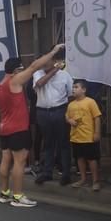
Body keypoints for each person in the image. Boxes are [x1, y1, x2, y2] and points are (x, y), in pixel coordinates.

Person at [0, 45, 65, 208]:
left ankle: (5, 193)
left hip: (4, 128)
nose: (23, 71)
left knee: (6, 160)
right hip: (18, 128)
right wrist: (54, 52)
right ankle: (18, 196)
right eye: (21, 69)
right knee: (19, 162)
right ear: (15, 70)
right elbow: (34, 66)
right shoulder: (15, 80)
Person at [33, 50, 73, 186]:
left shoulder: (65, 75)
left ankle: (66, 173)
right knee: (48, 143)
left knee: (63, 143)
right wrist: (54, 71)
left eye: (47, 60)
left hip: (59, 110)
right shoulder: (38, 73)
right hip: (43, 112)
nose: (44, 64)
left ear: (53, 60)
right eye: (42, 61)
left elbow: (70, 93)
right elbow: (39, 84)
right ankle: (47, 172)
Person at [66, 80, 102, 190]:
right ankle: (83, 179)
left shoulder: (90, 102)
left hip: (88, 137)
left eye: (76, 87)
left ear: (84, 90)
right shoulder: (71, 104)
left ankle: (95, 181)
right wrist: (69, 120)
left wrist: (97, 133)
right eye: (73, 87)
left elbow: (97, 117)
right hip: (76, 137)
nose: (73, 89)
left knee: (91, 159)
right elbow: (67, 116)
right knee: (79, 158)